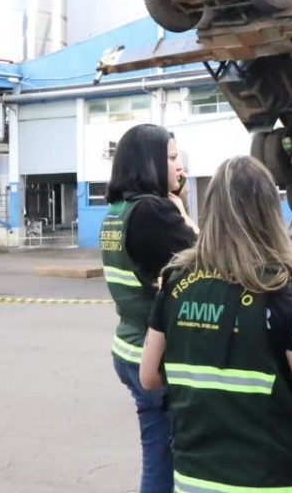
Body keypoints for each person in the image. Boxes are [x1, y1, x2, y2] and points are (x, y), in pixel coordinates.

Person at [139, 155, 292, 492]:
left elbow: (149, 375)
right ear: (269, 212)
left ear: (212, 210)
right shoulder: (284, 291)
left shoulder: (176, 282)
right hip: (280, 479)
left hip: (195, 478)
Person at [100, 123, 197, 493]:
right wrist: (180, 209)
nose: (179, 167)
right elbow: (206, 256)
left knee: (157, 456)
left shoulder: (118, 210)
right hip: (154, 355)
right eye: (172, 158)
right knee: (173, 463)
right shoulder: (153, 212)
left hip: (128, 347)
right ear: (150, 162)